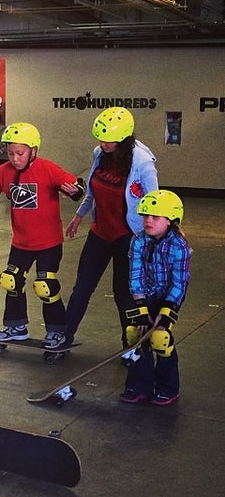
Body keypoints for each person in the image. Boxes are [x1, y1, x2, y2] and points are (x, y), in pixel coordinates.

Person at [0, 122, 85, 349]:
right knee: (11, 281)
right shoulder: (5, 171)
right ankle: (16, 327)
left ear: (34, 150)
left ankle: (57, 331)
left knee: (45, 286)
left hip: (48, 243)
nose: (15, 158)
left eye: (20, 153)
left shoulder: (47, 169)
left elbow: (74, 184)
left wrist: (76, 191)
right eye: (11, 153)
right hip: (21, 243)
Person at [63, 107, 159, 365]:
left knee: (123, 293)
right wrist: (79, 215)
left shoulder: (142, 162)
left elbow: (154, 203)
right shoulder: (100, 153)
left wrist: (152, 242)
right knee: (82, 286)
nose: (102, 143)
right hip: (100, 232)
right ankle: (64, 336)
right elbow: (93, 191)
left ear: (124, 136)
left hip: (128, 236)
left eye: (108, 139)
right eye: (100, 138)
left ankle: (130, 346)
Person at [120, 189, 191, 405]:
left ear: (170, 220)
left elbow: (179, 283)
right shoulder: (138, 241)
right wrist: (141, 309)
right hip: (146, 293)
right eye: (145, 216)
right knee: (136, 336)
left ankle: (168, 388)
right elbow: (135, 277)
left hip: (169, 295)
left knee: (161, 339)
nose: (148, 220)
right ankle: (139, 385)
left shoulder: (180, 247)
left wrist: (167, 312)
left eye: (155, 217)